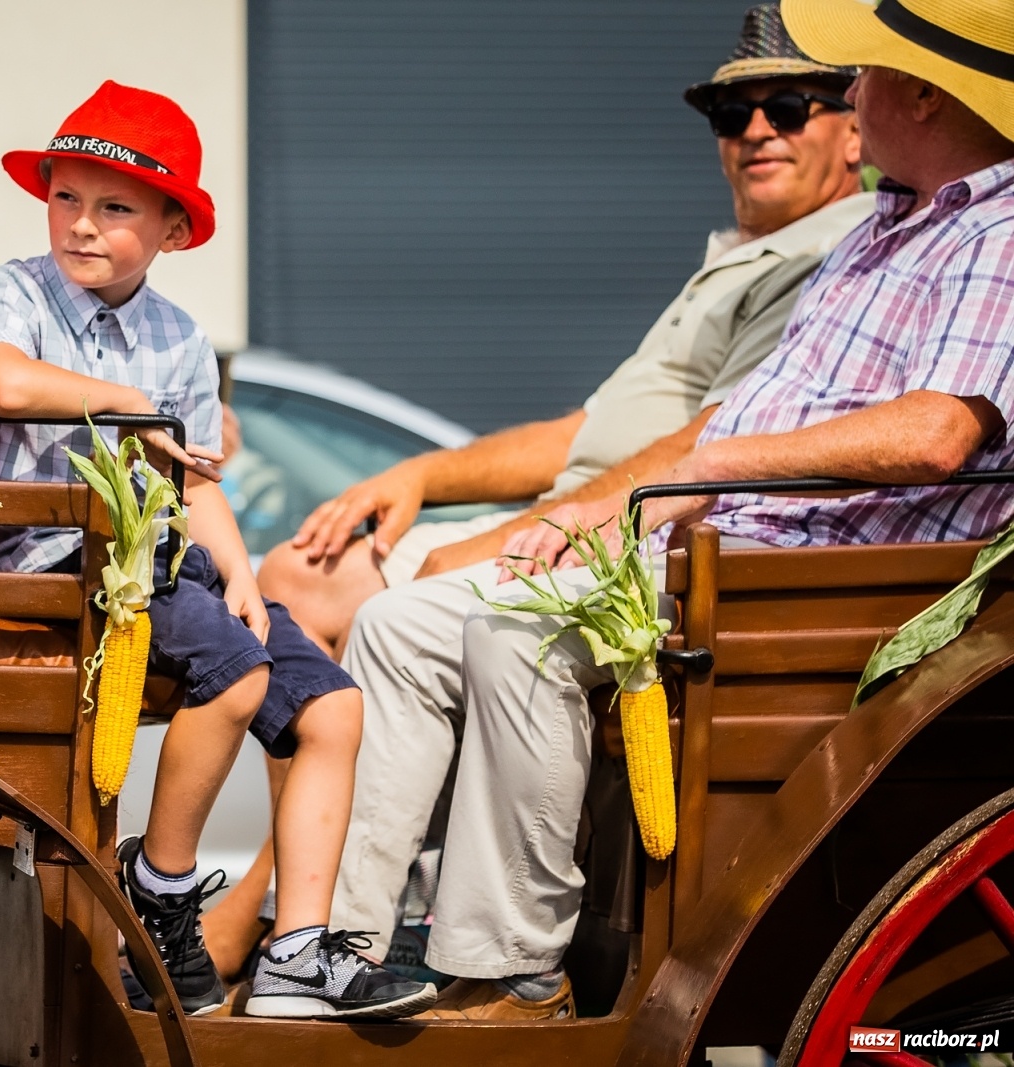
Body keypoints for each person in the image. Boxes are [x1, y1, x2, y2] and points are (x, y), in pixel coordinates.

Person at [339, 0, 1014, 1021]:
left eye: (851, 80)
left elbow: (936, 434)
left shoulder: (997, 228)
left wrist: (712, 471)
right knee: (396, 626)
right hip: (720, 552)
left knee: (515, 635)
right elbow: (720, 421)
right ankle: (348, 946)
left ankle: (515, 972)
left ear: (921, 91)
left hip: (807, 591)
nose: (845, 100)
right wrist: (615, 511)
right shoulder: (885, 229)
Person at [204, 0, 874, 979]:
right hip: (602, 510)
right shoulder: (738, 259)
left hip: (658, 529)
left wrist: (533, 524)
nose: (756, 132)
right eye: (734, 118)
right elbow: (582, 429)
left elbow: (713, 443)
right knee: (302, 572)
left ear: (854, 128)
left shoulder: (830, 255)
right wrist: (419, 475)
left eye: (789, 106)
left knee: (355, 597)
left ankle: (278, 908)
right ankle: (312, 923)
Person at [0, 81, 434, 1020]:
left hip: (162, 565)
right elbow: (5, 385)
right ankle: (164, 883)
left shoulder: (178, 337)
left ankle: (297, 945)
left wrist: (245, 578)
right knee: (234, 673)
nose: (82, 224)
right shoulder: (15, 289)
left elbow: (197, 480)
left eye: (115, 207)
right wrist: (127, 408)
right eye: (66, 196)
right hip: (62, 562)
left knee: (333, 706)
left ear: (173, 231)